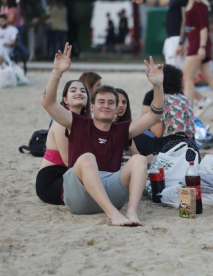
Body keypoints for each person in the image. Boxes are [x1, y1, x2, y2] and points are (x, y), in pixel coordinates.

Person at [41, 43, 165, 226]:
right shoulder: (78, 123)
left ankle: (131, 211)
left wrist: (158, 86)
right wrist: (57, 72)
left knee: (138, 160)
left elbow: (155, 115)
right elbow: (48, 104)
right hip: (79, 194)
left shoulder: (122, 130)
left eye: (110, 102)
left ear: (117, 109)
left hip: (112, 190)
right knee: (87, 158)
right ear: (91, 106)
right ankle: (112, 214)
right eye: (100, 102)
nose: (105, 106)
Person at [36, 80, 91, 205]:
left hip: (73, 173)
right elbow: (68, 161)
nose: (79, 93)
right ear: (65, 100)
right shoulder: (61, 123)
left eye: (83, 91)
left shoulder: (88, 122)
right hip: (52, 180)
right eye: (73, 90)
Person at [182, 0, 213, 122]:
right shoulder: (192, 3)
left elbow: (204, 27)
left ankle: (187, 113)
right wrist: (187, 45)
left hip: (199, 43)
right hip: (196, 42)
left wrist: (201, 47)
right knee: (209, 78)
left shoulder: (199, 4)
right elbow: (192, 27)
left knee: (187, 78)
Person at [137, 64, 195, 155]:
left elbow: (157, 133)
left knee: (136, 135)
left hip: (169, 146)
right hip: (191, 145)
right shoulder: (185, 99)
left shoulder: (160, 100)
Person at [114, 88, 141, 157]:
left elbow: (135, 154)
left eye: (124, 102)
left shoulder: (125, 127)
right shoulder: (101, 125)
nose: (121, 105)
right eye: (117, 102)